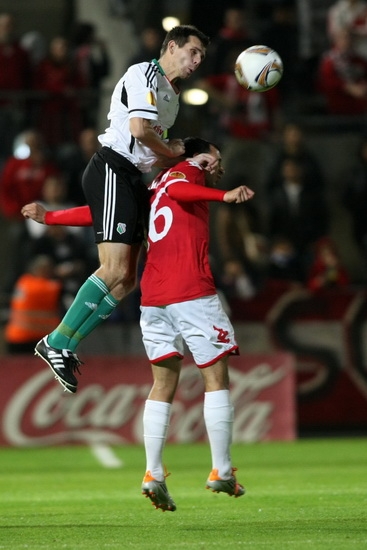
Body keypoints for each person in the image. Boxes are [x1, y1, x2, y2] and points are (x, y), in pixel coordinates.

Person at [21, 136, 253, 510]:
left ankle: (153, 472)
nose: (218, 165)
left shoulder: (151, 189)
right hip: (192, 292)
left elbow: (104, 216)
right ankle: (222, 470)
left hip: (153, 299)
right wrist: (223, 196)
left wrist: (51, 217)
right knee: (216, 377)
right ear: (196, 156)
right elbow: (181, 190)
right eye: (215, 158)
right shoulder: (185, 173)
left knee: (163, 383)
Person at [22, 25, 211, 394]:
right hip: (112, 167)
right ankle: (57, 341)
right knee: (113, 269)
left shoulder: (172, 95)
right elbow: (140, 130)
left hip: (131, 177)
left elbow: (150, 149)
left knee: (126, 281)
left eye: (201, 56)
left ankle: (66, 345)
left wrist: (180, 154)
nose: (197, 61)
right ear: (172, 47)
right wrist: (172, 150)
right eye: (193, 52)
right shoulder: (144, 73)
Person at [4, 255, 62, 354]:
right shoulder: (49, 287)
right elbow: (55, 288)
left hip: (17, 336)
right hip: (36, 339)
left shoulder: (23, 281)